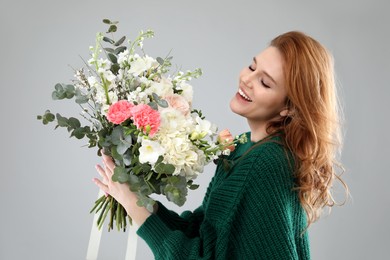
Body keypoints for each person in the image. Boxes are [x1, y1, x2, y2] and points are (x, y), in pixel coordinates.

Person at [93, 31, 347, 259]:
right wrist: (136, 199)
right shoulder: (244, 147)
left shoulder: (267, 161)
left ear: (288, 107)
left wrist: (134, 208)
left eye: (265, 82)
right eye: (252, 66)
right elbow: (202, 232)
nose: (248, 79)